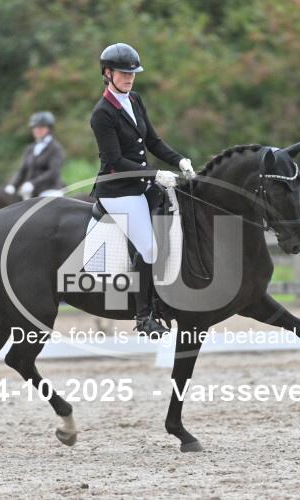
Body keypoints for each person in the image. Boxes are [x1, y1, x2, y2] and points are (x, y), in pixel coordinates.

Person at [89, 42, 196, 337]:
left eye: (133, 72)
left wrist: (179, 160)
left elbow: (153, 141)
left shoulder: (134, 100)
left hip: (142, 184)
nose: (130, 77)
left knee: (178, 220)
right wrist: (156, 173)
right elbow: (115, 160)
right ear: (107, 74)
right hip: (118, 191)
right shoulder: (102, 114)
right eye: (124, 73)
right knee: (148, 247)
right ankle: (144, 316)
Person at [5, 111, 66, 199]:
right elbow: (22, 170)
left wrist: (33, 183)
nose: (37, 130)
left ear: (49, 129)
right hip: (31, 192)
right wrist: (12, 185)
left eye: (41, 127)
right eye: (35, 127)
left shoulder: (56, 149)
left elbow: (53, 172)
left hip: (50, 190)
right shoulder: (30, 149)